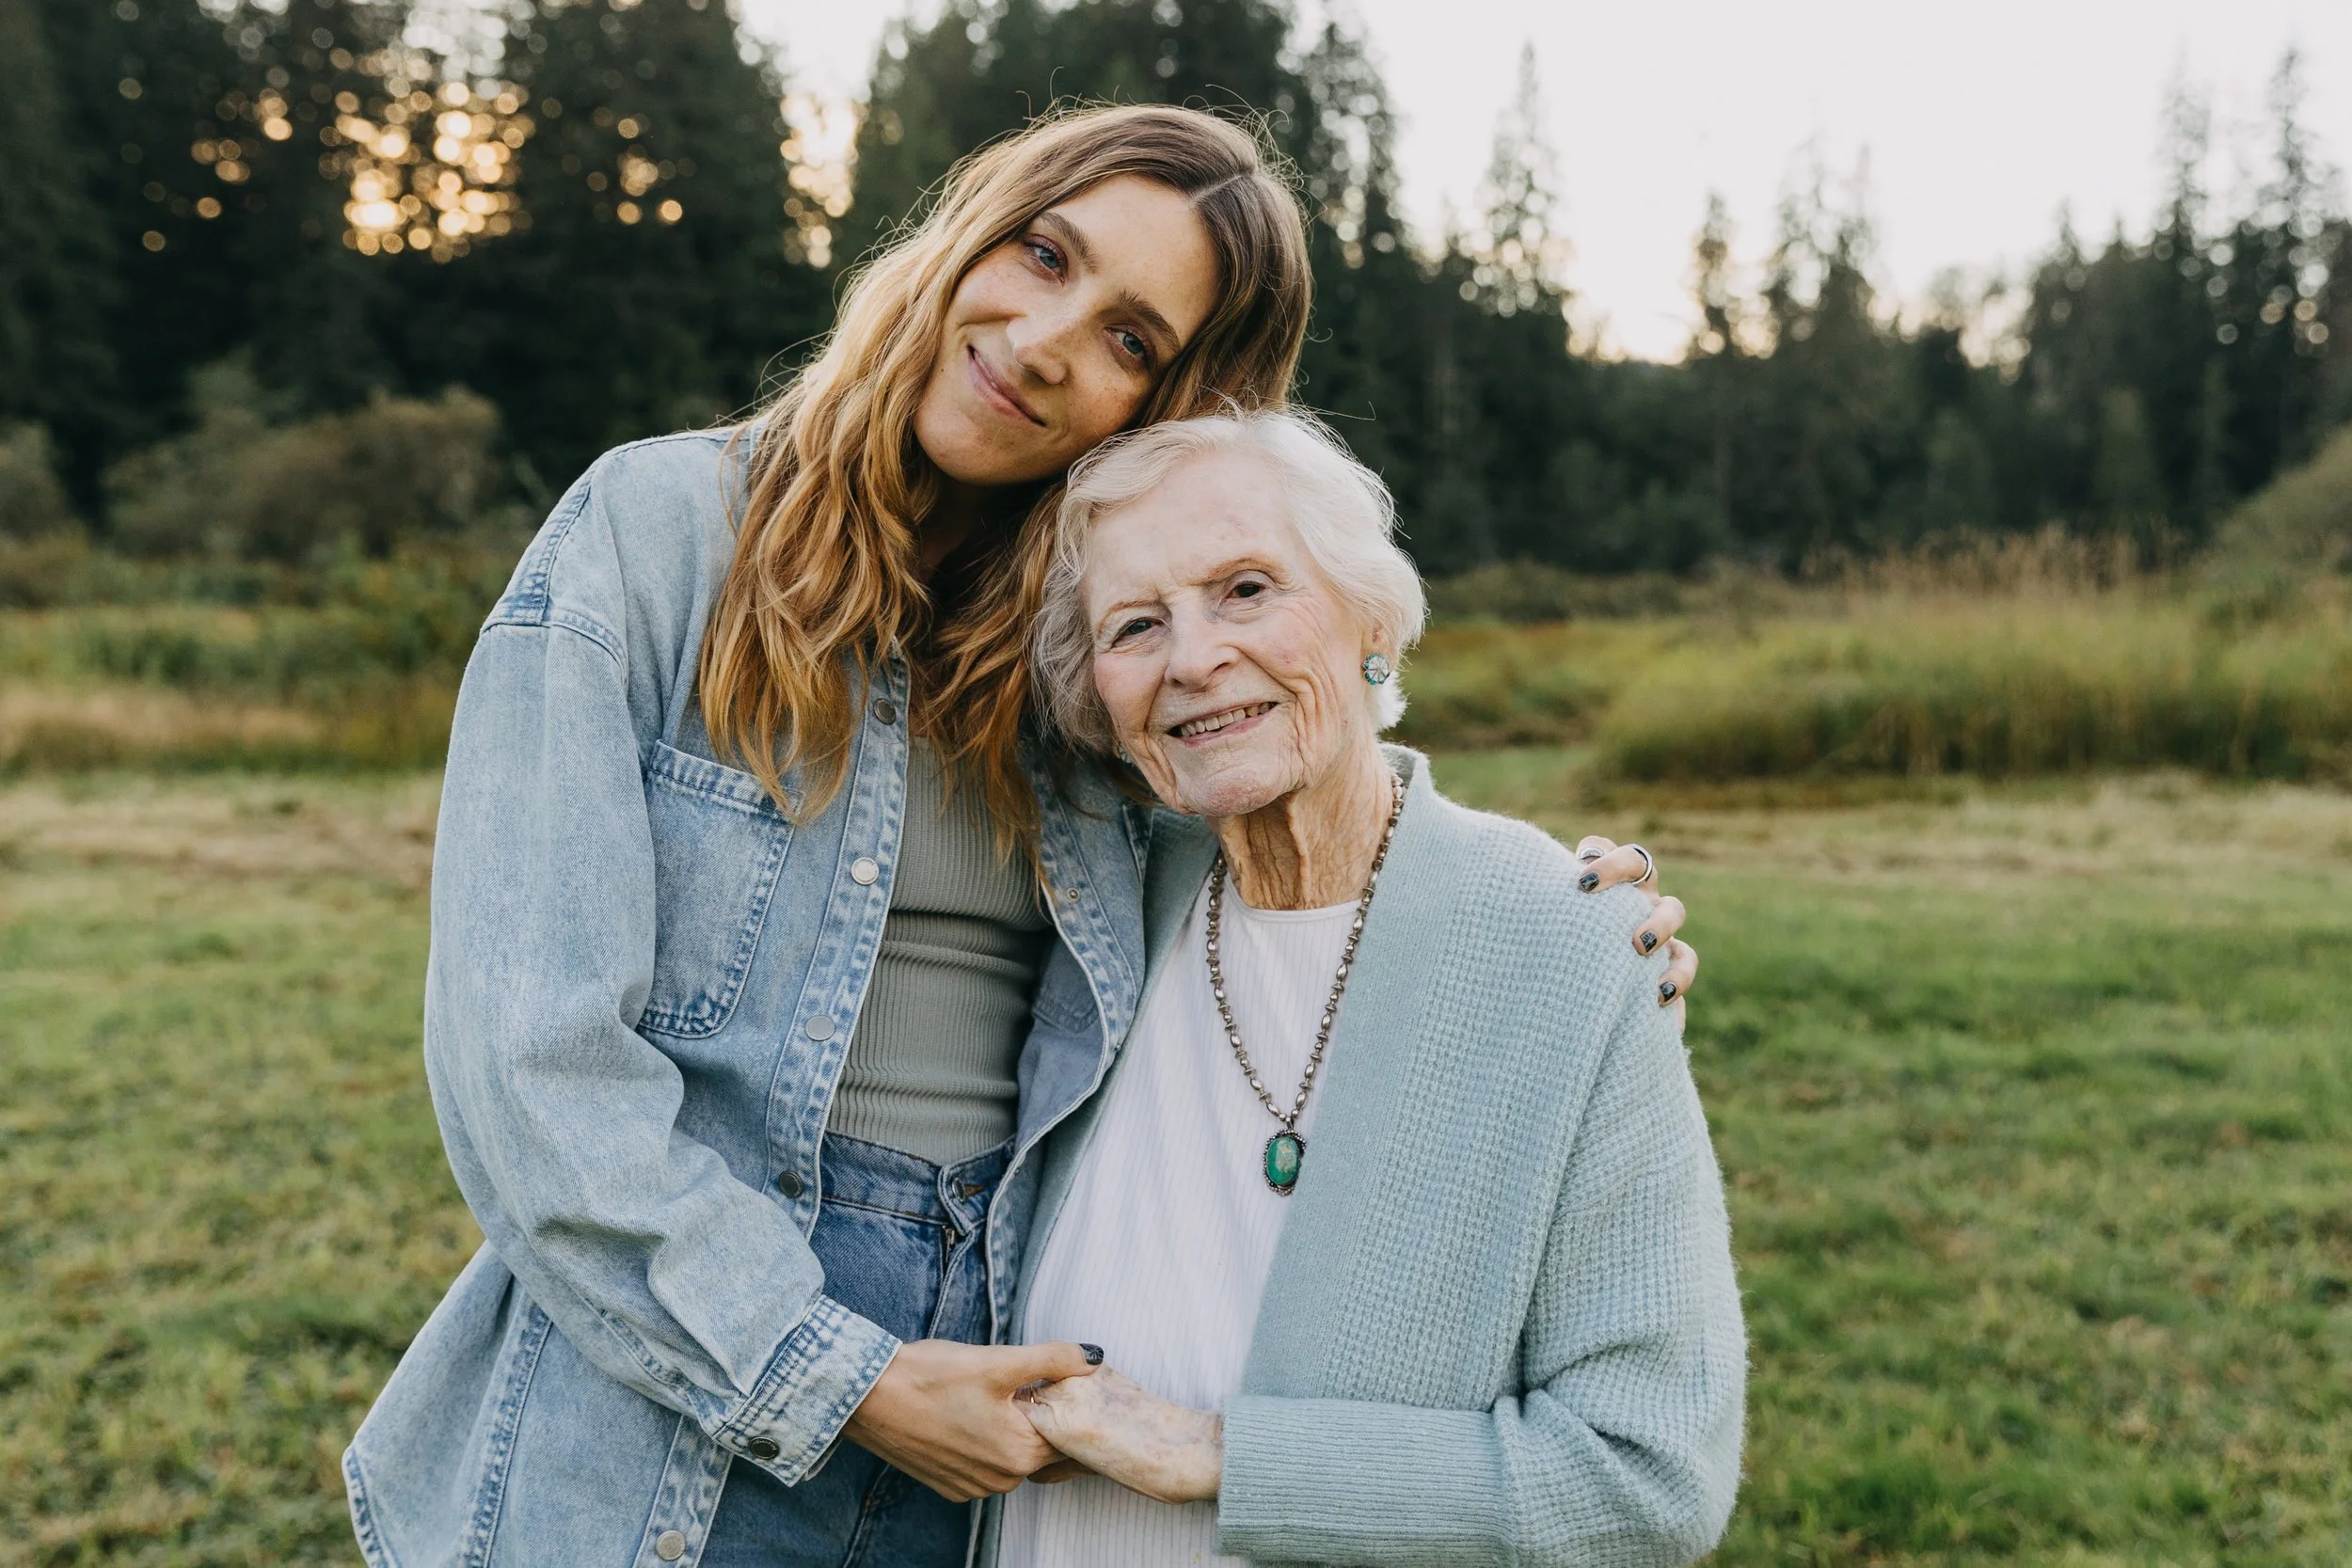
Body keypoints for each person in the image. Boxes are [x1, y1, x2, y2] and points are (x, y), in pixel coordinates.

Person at [344, 105, 1698, 1568]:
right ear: (967, 232)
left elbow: (1278, 753)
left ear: (1164, 409)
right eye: (1045, 254)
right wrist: (839, 1374)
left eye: (1130, 338)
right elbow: (529, 1062)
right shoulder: (656, 533)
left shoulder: (1095, 658)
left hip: (996, 1422)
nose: (1048, 341)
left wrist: (1528, 908)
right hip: (668, 1402)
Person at [993, 407, 1744, 1567]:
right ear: (1100, 694)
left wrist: (1223, 1456)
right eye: (1135, 624)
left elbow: (1646, 1477)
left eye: (1245, 589)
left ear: (1371, 619)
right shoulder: (1084, 907)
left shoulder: (1568, 944)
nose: (1191, 658)